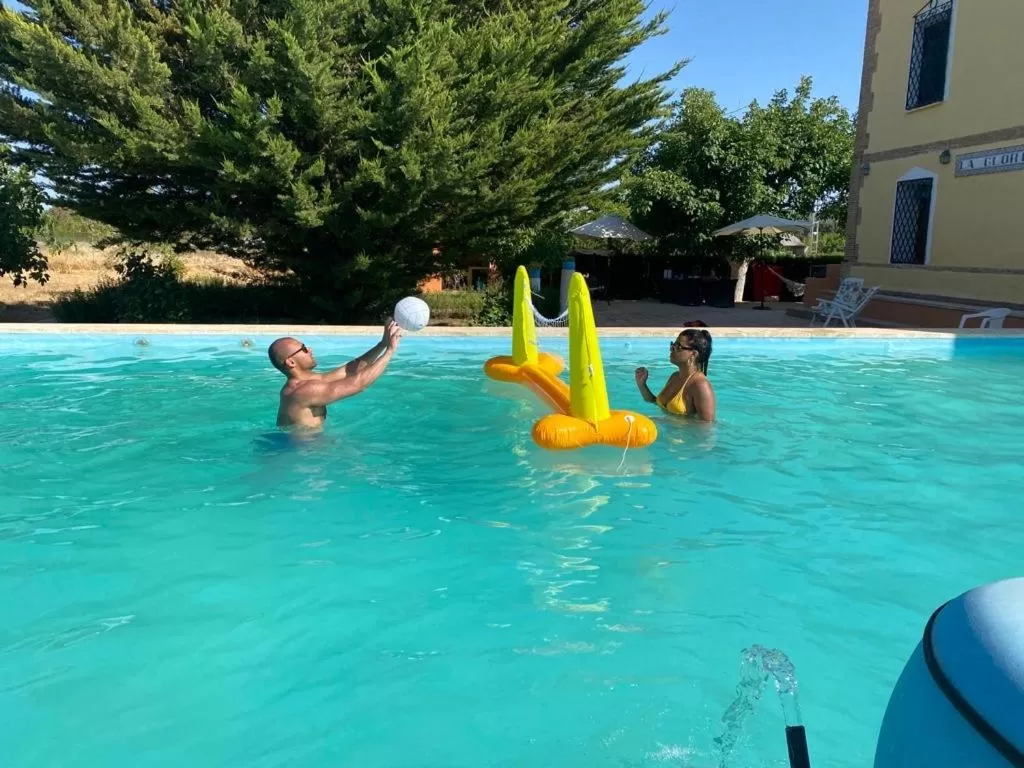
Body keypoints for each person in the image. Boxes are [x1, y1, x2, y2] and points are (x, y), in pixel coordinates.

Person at [268, 320, 402, 430]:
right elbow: (358, 384)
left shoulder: (304, 383)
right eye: (303, 349)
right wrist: (390, 351)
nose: (309, 350)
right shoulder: (305, 391)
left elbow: (348, 371)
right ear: (291, 362)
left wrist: (382, 344)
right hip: (305, 450)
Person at [634, 328, 716, 422]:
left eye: (678, 346)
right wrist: (642, 384)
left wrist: (665, 421)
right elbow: (658, 403)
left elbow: (707, 427)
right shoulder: (675, 376)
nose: (671, 349)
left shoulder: (701, 385)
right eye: (673, 345)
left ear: (693, 354)